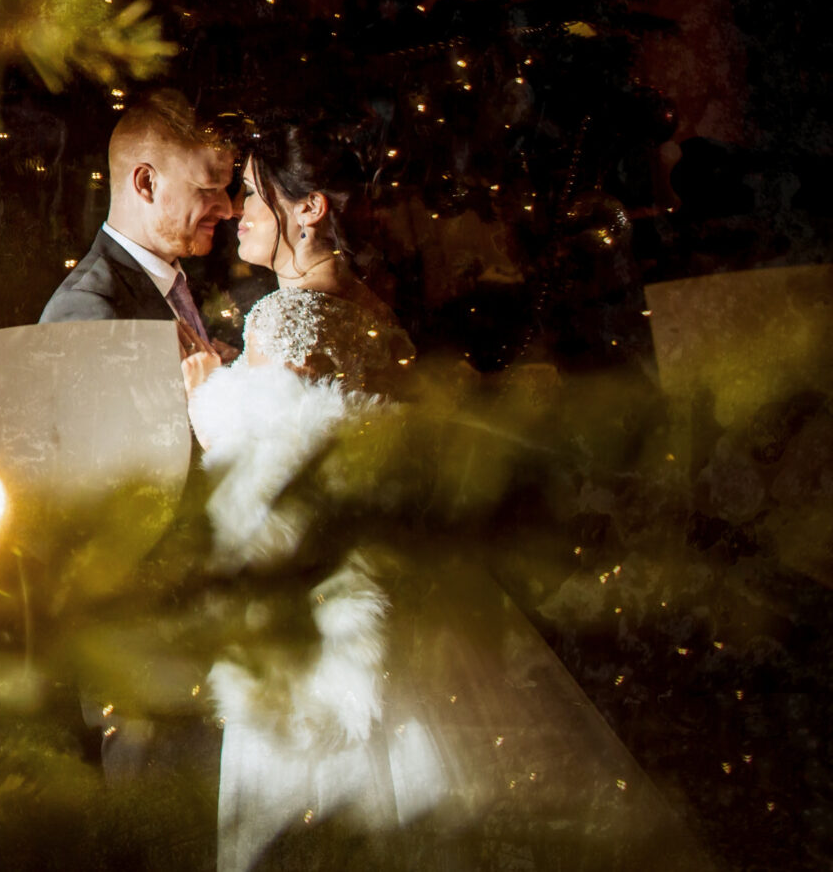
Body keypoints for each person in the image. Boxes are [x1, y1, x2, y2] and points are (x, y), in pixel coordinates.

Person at [184, 120, 681, 872]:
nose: (238, 211)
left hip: (326, 612)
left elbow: (276, 488)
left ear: (311, 206)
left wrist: (207, 410)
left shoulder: (280, 316)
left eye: (253, 193)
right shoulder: (373, 309)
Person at [40, 90, 238, 361]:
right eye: (208, 188)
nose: (227, 209)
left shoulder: (179, 281)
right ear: (146, 183)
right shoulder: (87, 309)